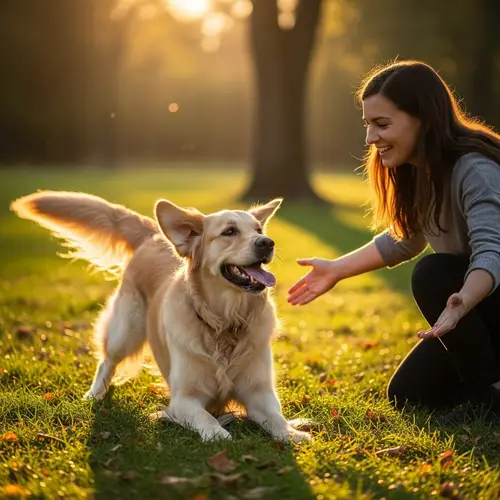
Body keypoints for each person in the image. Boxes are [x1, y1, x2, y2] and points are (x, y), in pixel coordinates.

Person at [288, 59, 500, 421]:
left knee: (432, 273)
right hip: (475, 309)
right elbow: (405, 239)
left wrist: (460, 303)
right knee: (408, 394)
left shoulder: (475, 170)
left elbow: (492, 253)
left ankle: (491, 396)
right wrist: (336, 269)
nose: (371, 138)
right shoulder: (421, 171)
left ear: (425, 121)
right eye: (368, 124)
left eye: (382, 124)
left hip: (479, 298)